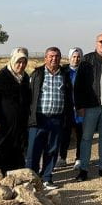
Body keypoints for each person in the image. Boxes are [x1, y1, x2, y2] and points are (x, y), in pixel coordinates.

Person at [74, 33, 102, 180]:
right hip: (90, 106)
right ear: (96, 42)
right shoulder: (87, 59)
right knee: (87, 138)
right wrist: (79, 106)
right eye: (101, 41)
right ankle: (84, 169)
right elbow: (78, 85)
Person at [26, 47, 72, 189]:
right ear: (45, 58)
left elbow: (69, 97)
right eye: (51, 56)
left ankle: (47, 178)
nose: (54, 59)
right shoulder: (37, 74)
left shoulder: (64, 75)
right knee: (34, 150)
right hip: (38, 119)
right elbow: (29, 96)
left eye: (57, 56)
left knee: (52, 150)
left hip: (56, 119)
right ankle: (31, 180)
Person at [0, 47, 31, 174]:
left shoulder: (24, 78)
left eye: (24, 62)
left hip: (18, 126)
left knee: (15, 155)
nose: (21, 65)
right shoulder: (3, 76)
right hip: (2, 124)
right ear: (13, 61)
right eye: (18, 62)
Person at [59, 48, 84, 169]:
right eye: (74, 57)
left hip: (80, 108)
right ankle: (62, 157)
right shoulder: (63, 71)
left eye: (78, 57)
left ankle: (79, 158)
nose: (76, 59)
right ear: (69, 58)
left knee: (80, 134)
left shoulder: (84, 71)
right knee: (65, 133)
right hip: (66, 108)